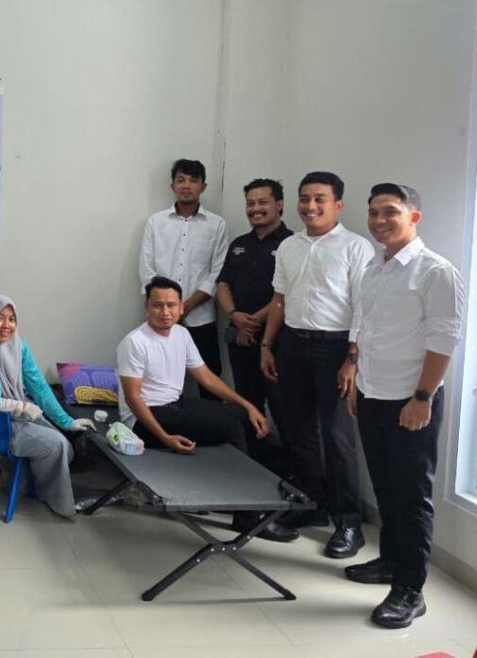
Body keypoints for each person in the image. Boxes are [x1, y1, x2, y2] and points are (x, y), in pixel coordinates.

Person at [345, 184, 464, 628]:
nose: (379, 220)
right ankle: (391, 562)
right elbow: (366, 328)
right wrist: (357, 379)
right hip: (372, 393)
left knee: (411, 496)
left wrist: (422, 397)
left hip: (412, 399)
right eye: (373, 212)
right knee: (385, 487)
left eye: (390, 212)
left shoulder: (436, 271)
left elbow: (443, 340)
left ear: (414, 216)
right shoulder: (374, 268)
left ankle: (410, 590)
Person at [117, 276, 296, 542]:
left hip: (174, 407)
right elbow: (133, 400)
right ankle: (247, 516)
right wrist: (165, 438)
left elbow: (207, 378)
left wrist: (247, 405)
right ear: (147, 307)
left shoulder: (181, 334)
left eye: (171, 305)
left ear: (181, 308)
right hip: (143, 420)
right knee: (230, 427)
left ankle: (260, 495)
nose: (165, 312)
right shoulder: (134, 342)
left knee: (241, 417)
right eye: (157, 305)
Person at [259, 171, 374, 558]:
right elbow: (279, 299)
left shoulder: (356, 248)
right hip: (292, 345)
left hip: (336, 349)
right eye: (305, 198)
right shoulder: (289, 246)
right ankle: (312, 505)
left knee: (338, 438)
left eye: (319, 199)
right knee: (299, 432)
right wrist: (267, 345)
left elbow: (363, 308)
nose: (310, 206)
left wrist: (352, 359)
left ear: (337, 205)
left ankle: (349, 523)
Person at [0, 294, 95, 517]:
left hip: (17, 417)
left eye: (12, 319)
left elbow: (39, 387)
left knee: (66, 444)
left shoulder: (18, 348)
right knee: (57, 446)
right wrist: (19, 407)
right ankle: (57, 500)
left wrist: (67, 422)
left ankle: (32, 484)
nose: (7, 325)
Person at [216, 179, 294, 465]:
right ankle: (252, 464)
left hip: (276, 343)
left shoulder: (292, 244)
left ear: (279, 205)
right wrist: (235, 315)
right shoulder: (239, 244)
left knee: (283, 407)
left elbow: (286, 293)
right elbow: (223, 283)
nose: (255, 209)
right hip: (240, 338)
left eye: (263, 202)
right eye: (250, 203)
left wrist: (254, 321)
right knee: (246, 402)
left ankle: (290, 472)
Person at [139, 159, 228, 399]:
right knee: (156, 378)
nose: (186, 186)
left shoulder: (217, 225)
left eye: (193, 181)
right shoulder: (156, 222)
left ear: (203, 186)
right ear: (172, 186)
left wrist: (185, 306)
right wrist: (167, 307)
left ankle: (211, 422)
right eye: (181, 180)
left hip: (201, 316)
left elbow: (217, 273)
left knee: (209, 379)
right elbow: (147, 269)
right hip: (161, 315)